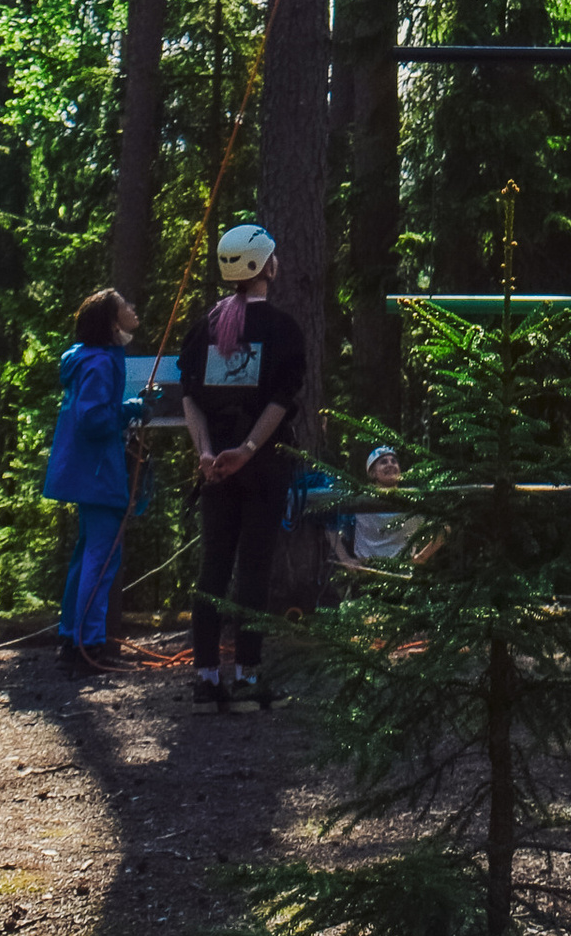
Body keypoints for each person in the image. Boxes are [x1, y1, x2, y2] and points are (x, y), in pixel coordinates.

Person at [174, 219, 309, 713]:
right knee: (252, 568)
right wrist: (247, 451)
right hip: (261, 465)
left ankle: (207, 679)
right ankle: (249, 676)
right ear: (263, 266)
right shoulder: (282, 330)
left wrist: (208, 454)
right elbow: (281, 401)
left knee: (213, 569)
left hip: (216, 469)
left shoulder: (204, 327)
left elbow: (191, 399)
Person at [44, 286, 141, 677]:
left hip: (87, 473)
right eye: (125, 306)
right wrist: (127, 412)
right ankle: (89, 645)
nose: (133, 309)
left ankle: (72, 638)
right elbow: (93, 419)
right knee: (101, 560)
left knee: (88, 556)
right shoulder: (99, 363)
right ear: (112, 322)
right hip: (98, 474)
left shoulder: (92, 359)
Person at [330, 440, 420, 573]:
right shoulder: (359, 499)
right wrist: (345, 558)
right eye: (383, 462)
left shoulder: (412, 499)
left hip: (403, 576)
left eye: (393, 461)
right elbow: (330, 523)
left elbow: (443, 525)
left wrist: (421, 557)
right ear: (372, 473)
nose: (390, 464)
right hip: (367, 573)